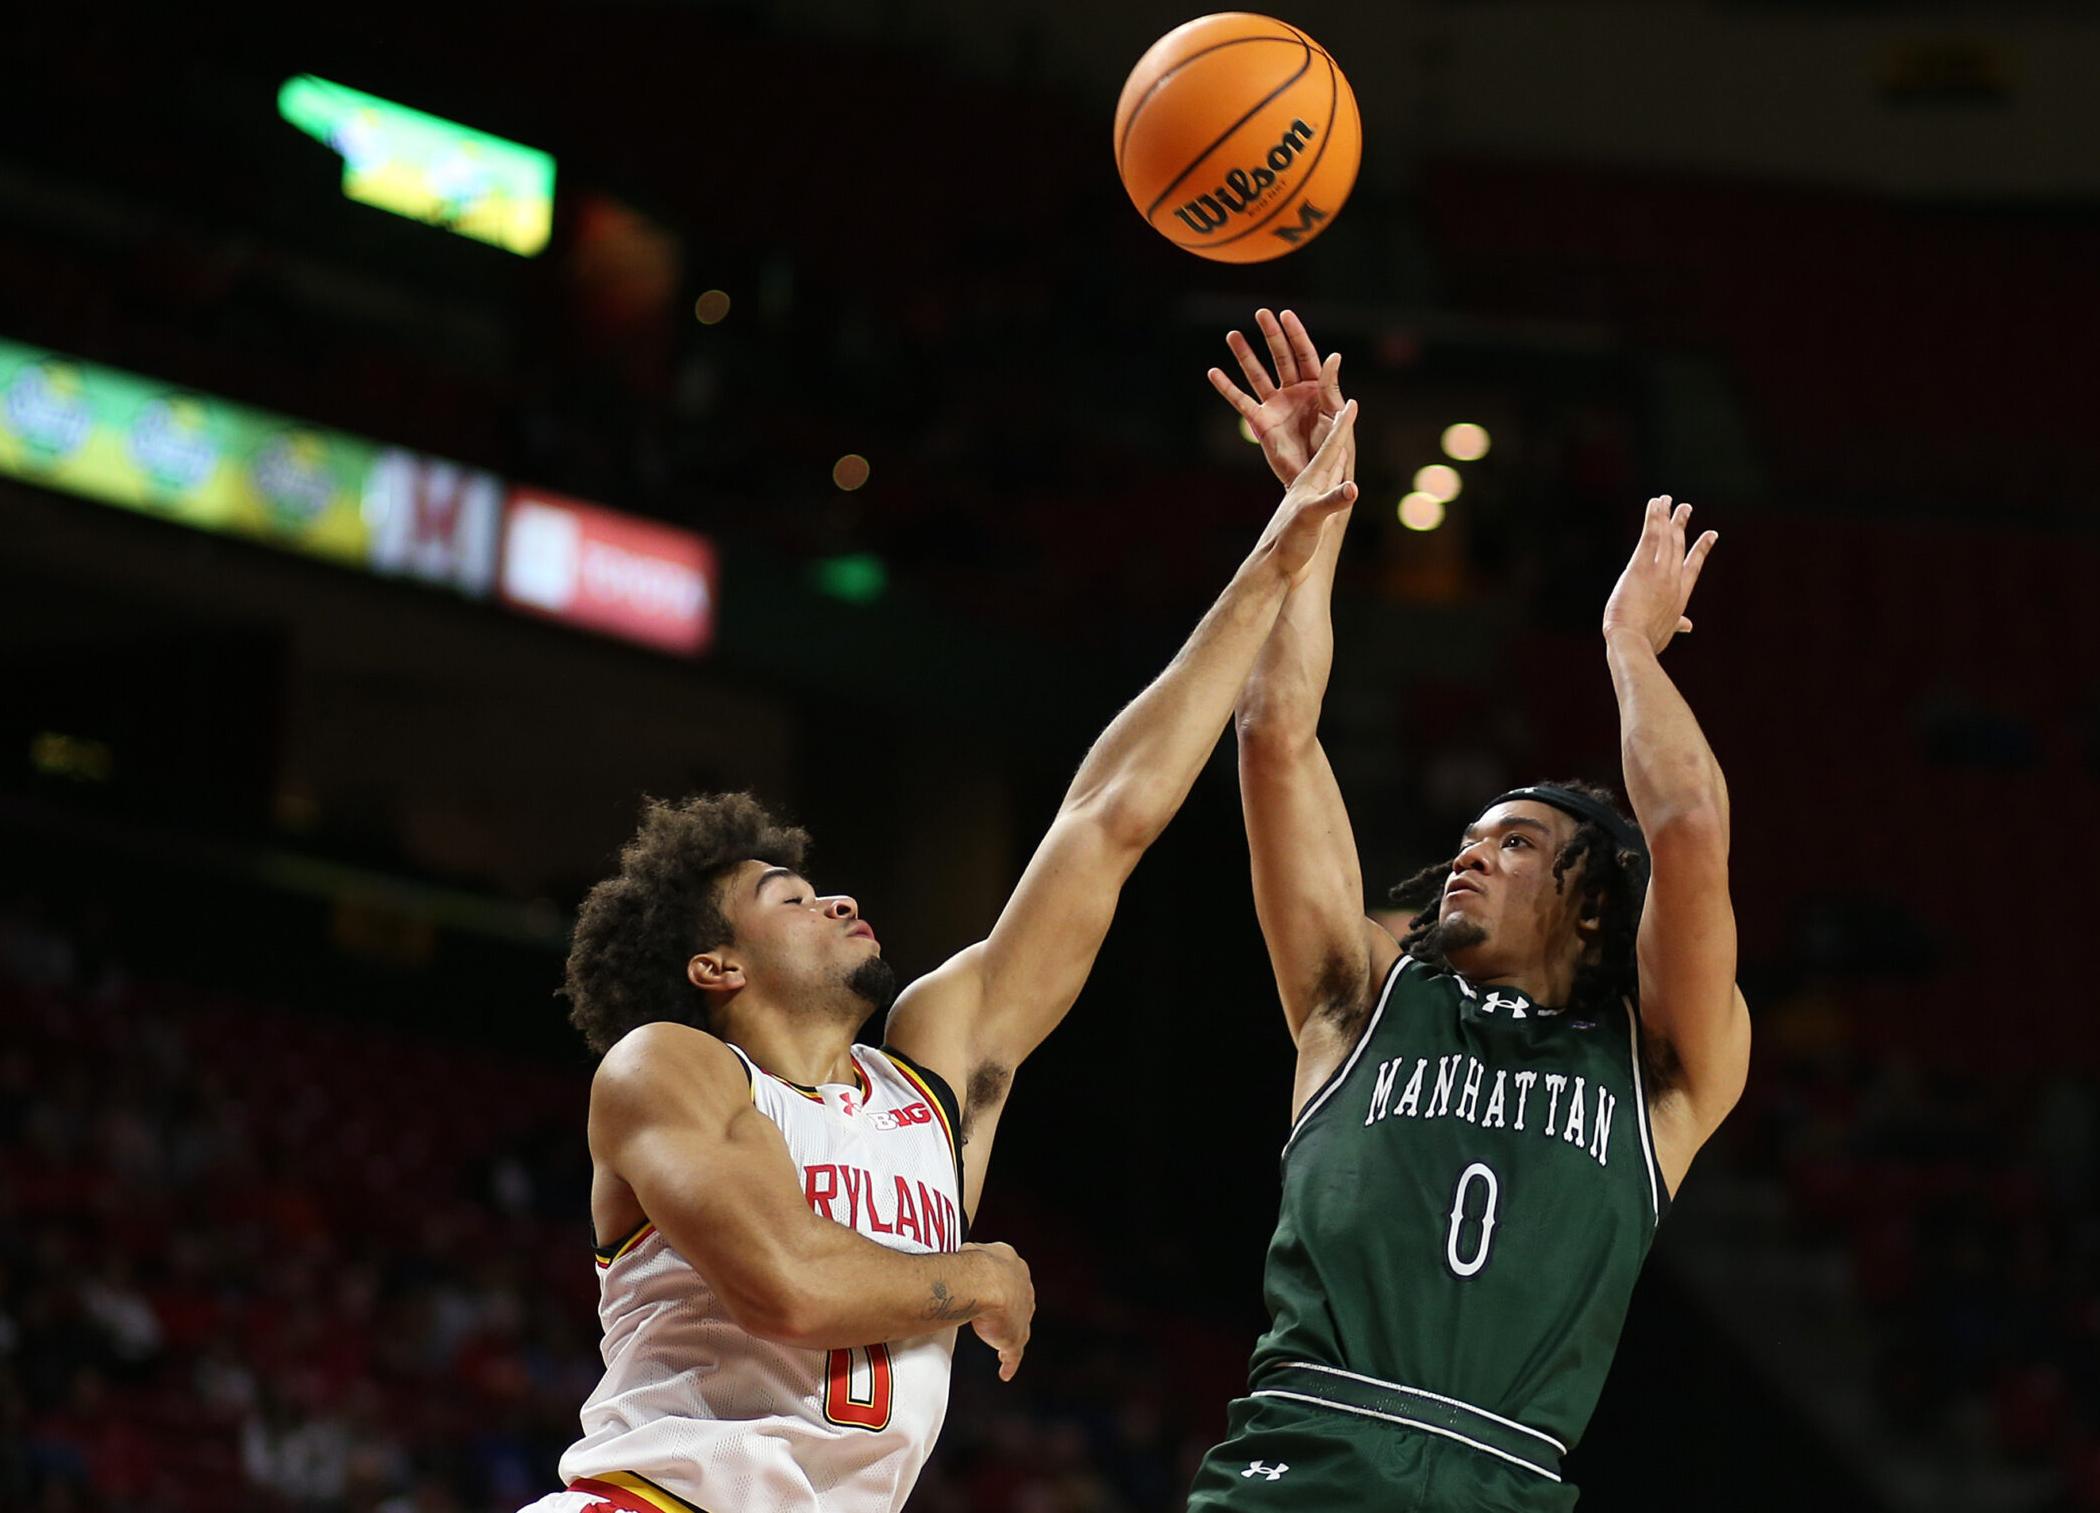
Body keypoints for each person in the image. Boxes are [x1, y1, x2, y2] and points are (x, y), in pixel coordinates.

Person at [522, 403, 1364, 1513]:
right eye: (789, 896)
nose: (838, 898)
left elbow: (1105, 818)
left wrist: (1279, 553)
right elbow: (786, 1285)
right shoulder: (664, 1069)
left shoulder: (931, 1074)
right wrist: (974, 1272)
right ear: (714, 969)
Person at [1188, 311, 1751, 1510]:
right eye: (1464, 839)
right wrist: (1308, 525)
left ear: (1593, 904)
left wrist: (1627, 647)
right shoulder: (1357, 1000)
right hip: (1308, 1459)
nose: (1467, 859)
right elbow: (1272, 736)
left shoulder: (1659, 1074)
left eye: (1514, 843)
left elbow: (1690, 828)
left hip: (1506, 1479)